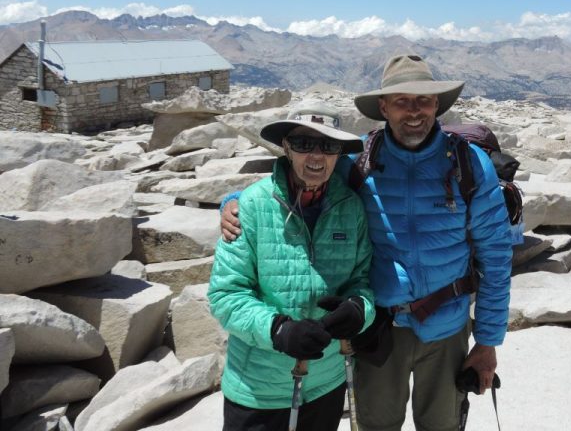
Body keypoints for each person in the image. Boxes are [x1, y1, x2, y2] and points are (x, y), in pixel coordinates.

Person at [221, 55, 522, 431]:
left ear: (437, 105)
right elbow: (302, 179)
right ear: (383, 107)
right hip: (379, 328)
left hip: (448, 327)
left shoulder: (468, 162)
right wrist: (233, 201)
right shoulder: (359, 159)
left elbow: (495, 255)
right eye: (401, 101)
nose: (414, 112)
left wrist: (488, 342)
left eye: (423, 101)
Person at [209, 100, 375, 431]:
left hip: (327, 381)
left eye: (328, 145)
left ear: (339, 153)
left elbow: (362, 279)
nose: (316, 156)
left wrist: (360, 309)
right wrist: (278, 330)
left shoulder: (351, 208)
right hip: (260, 388)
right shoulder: (252, 207)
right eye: (303, 144)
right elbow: (225, 295)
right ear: (286, 147)